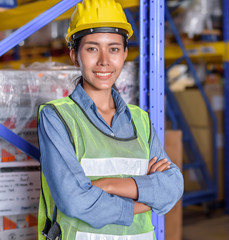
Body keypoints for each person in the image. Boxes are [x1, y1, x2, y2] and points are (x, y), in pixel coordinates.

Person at [37, 0, 184, 239]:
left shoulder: (139, 119)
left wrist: (107, 185)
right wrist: (144, 200)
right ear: (75, 55)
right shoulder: (57, 117)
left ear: (124, 54)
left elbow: (173, 185)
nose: (104, 60)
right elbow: (74, 201)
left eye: (114, 49)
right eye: (92, 49)